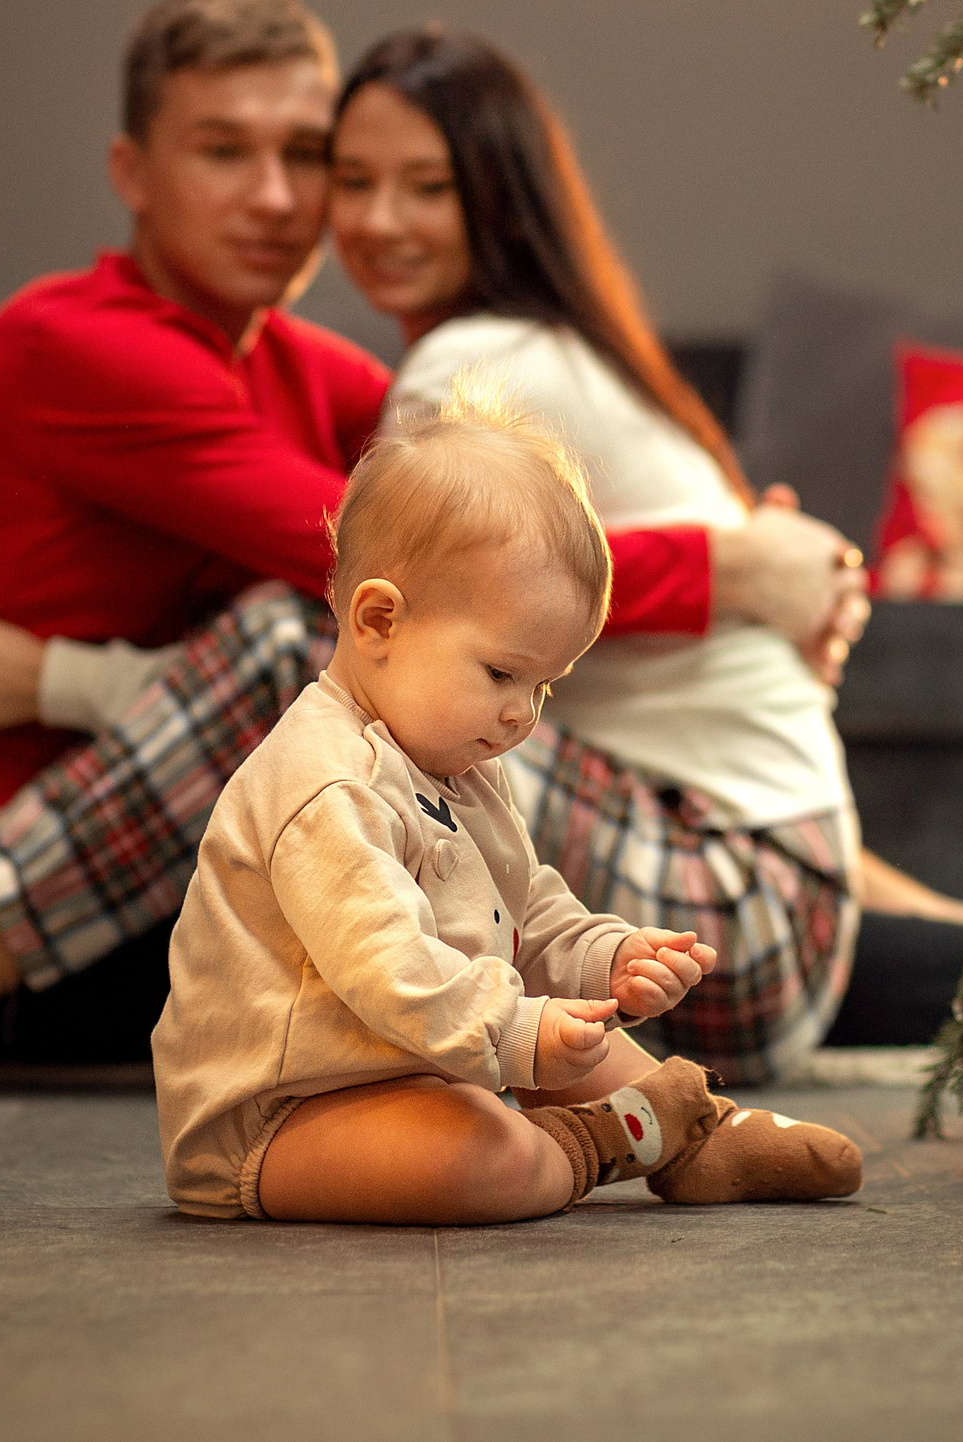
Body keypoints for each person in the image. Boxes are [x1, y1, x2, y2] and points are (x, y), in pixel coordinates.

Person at [0, 0, 869, 1100]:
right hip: (17, 947)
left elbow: (466, 563)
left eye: (303, 155)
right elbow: (377, 572)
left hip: (175, 890)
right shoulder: (80, 345)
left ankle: (941, 938)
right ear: (131, 168)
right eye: (224, 152)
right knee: (325, 652)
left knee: (363, 666)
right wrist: (737, 572)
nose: (280, 199)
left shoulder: (304, 368)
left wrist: (756, 575)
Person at [0, 24, 963, 1088]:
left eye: (426, 185)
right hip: (745, 899)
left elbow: (305, 661)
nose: (373, 220)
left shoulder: (474, 368)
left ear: (498, 195)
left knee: (316, 672)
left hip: (723, 911)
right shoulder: (530, 347)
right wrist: (741, 565)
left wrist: (50, 679)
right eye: (351, 178)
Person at [159, 383, 860, 1222]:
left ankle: (698, 1132)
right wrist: (524, 1034)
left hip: (423, 1064)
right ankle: (594, 1144)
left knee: (582, 1039)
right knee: (481, 1155)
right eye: (501, 674)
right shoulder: (327, 786)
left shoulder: (455, 761)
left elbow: (524, 910)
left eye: (545, 686)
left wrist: (609, 959)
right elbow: (395, 974)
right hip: (281, 1120)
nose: (522, 713)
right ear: (378, 620)